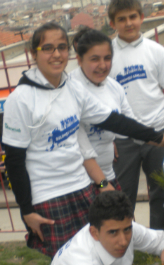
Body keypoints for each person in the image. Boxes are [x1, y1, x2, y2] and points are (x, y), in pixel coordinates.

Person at [2, 22, 164, 257]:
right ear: (34, 54)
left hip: (80, 185)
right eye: (48, 48)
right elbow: (14, 161)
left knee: (99, 252)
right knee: (68, 260)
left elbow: (113, 120)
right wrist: (26, 210)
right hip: (48, 194)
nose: (57, 54)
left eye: (61, 47)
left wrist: (161, 137)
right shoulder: (20, 100)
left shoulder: (72, 89)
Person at [107, 0, 164, 232]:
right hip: (123, 139)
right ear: (112, 23)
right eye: (121, 19)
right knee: (123, 195)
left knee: (161, 192)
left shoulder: (157, 52)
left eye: (132, 17)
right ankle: (126, 240)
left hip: (159, 133)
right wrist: (108, 138)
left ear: (142, 17)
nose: (128, 23)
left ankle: (159, 237)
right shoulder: (106, 56)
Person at [70, 27, 136, 193]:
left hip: (108, 176)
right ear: (79, 59)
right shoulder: (69, 90)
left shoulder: (114, 87)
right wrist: (103, 185)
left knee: (123, 217)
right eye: (94, 59)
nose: (102, 65)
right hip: (80, 183)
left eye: (107, 58)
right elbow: (83, 148)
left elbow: (131, 125)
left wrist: (161, 138)